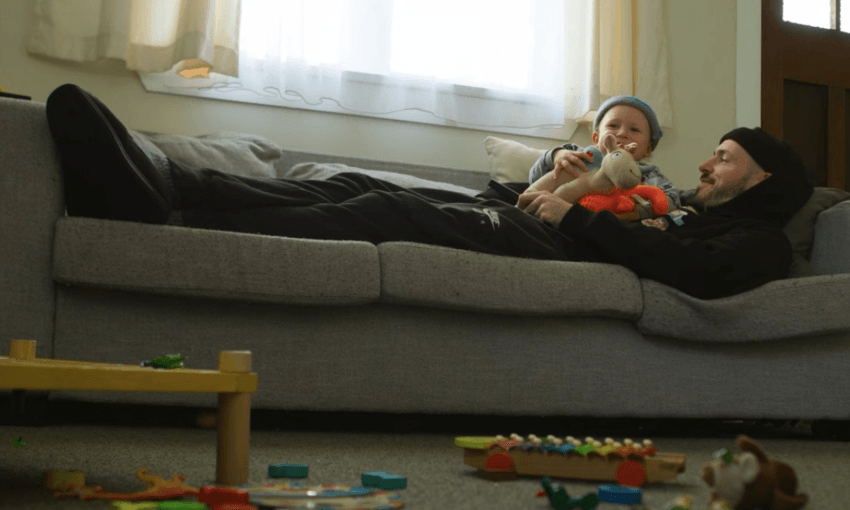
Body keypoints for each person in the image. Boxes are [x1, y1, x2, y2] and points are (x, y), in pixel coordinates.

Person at [45, 84, 813, 300]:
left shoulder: (760, 242)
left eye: (724, 158)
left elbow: (694, 275)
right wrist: (556, 190)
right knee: (357, 182)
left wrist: (577, 220)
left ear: (764, 176)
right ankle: (171, 180)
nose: (708, 167)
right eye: (709, 156)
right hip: (541, 229)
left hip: (561, 253)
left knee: (384, 212)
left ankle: (173, 212)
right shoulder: (682, 205)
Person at [526, 95, 681, 219]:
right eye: (613, 126)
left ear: (648, 149)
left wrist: (637, 212)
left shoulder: (649, 174)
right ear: (596, 137)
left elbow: (671, 199)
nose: (622, 133)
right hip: (552, 216)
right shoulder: (579, 155)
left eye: (634, 129)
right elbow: (535, 178)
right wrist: (556, 155)